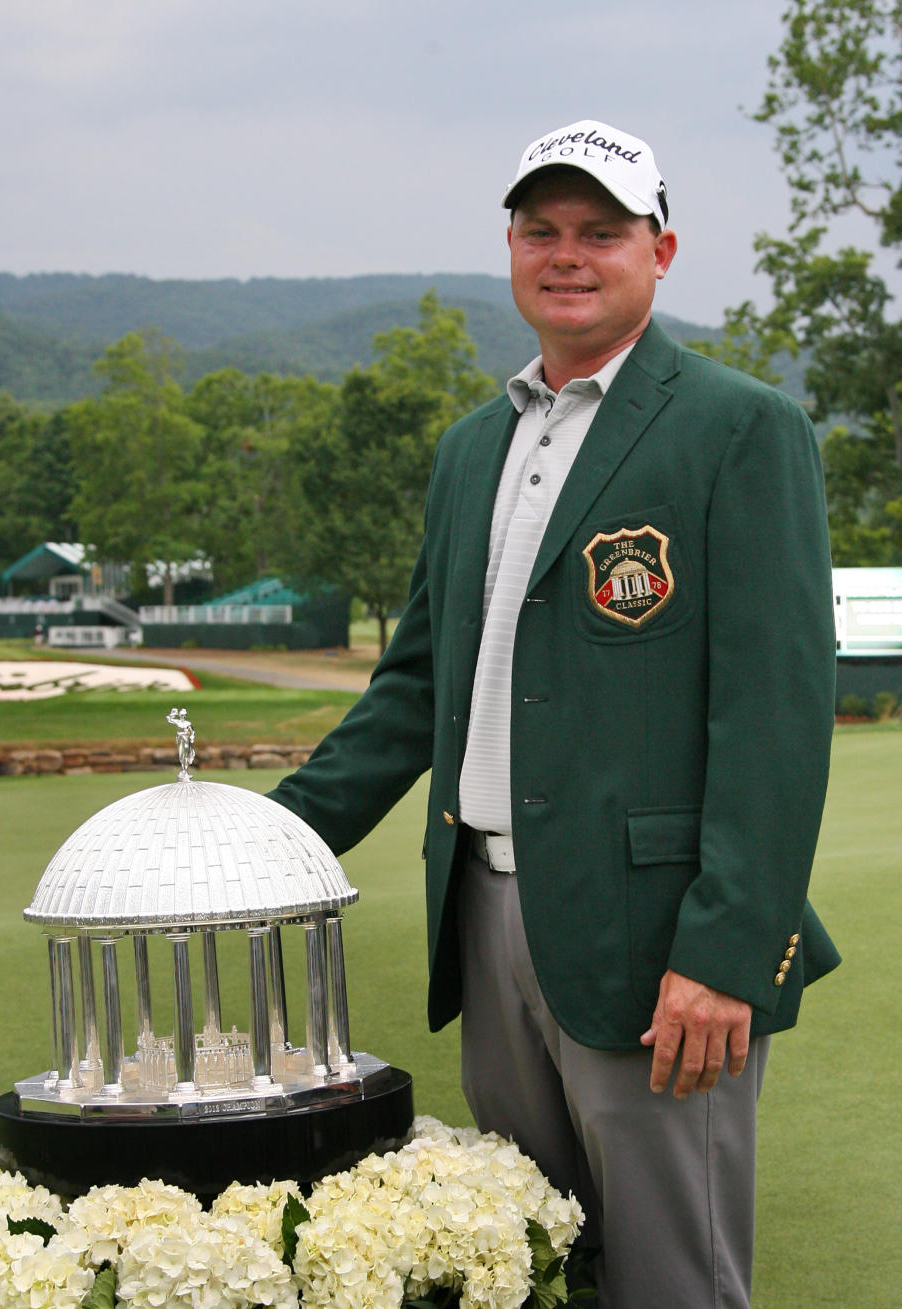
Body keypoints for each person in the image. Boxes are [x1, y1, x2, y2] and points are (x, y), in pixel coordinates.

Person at [268, 117, 840, 1308]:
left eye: (600, 230)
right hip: (483, 909)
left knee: (669, 1276)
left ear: (661, 250)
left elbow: (776, 708)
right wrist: (259, 839)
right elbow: (414, 688)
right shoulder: (472, 446)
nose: (566, 253)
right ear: (512, 248)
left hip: (655, 936)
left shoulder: (740, 428)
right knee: (532, 1261)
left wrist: (726, 953)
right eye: (542, 229)